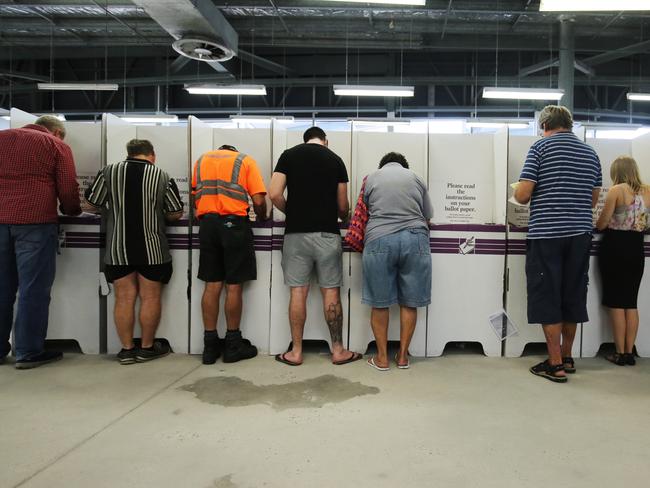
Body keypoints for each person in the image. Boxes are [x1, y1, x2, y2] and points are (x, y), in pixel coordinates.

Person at [514, 105, 602, 383]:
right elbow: (592, 200)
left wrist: (518, 189)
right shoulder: (590, 153)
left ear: (544, 126)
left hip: (547, 235)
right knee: (572, 294)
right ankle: (566, 356)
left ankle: (554, 365)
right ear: (569, 124)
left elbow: (523, 195)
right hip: (579, 234)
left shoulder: (540, 148)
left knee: (547, 294)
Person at [269, 126, 362, 366]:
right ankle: (339, 350)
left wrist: (293, 211)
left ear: (306, 140)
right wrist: (342, 216)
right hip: (327, 235)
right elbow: (343, 206)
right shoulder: (335, 160)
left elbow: (274, 193)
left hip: (295, 235)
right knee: (331, 291)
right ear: (325, 140)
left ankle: (296, 352)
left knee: (298, 291)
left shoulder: (288, 155)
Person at [85, 139, 183, 365]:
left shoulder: (109, 172)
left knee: (123, 298)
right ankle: (146, 348)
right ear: (152, 154)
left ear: (128, 153)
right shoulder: (161, 176)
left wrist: (111, 211)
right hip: (153, 248)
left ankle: (127, 349)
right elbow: (175, 212)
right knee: (150, 297)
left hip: (118, 248)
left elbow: (90, 204)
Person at [0, 115, 81, 369]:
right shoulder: (55, 145)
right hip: (35, 222)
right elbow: (67, 188)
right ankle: (28, 352)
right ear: (56, 132)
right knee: (33, 289)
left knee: (2, 289)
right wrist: (72, 210)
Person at [192, 144, 267, 364]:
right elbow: (259, 200)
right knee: (233, 285)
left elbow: (196, 196)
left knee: (212, 284)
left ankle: (209, 346)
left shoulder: (201, 160)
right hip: (233, 225)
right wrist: (261, 217)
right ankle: (233, 344)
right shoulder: (244, 160)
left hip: (207, 225)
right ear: (234, 151)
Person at [362, 153, 433, 371]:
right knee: (410, 301)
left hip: (380, 240)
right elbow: (428, 214)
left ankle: (382, 359)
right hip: (415, 240)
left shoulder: (372, 178)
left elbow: (365, 209)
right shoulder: (416, 178)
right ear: (404, 165)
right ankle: (402, 357)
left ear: (382, 165)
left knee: (379, 302)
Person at [596, 156, 650, 366]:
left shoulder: (616, 190)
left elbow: (601, 224)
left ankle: (619, 353)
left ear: (616, 172)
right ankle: (629, 352)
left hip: (615, 248)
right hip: (637, 248)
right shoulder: (647, 191)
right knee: (630, 301)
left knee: (616, 303)